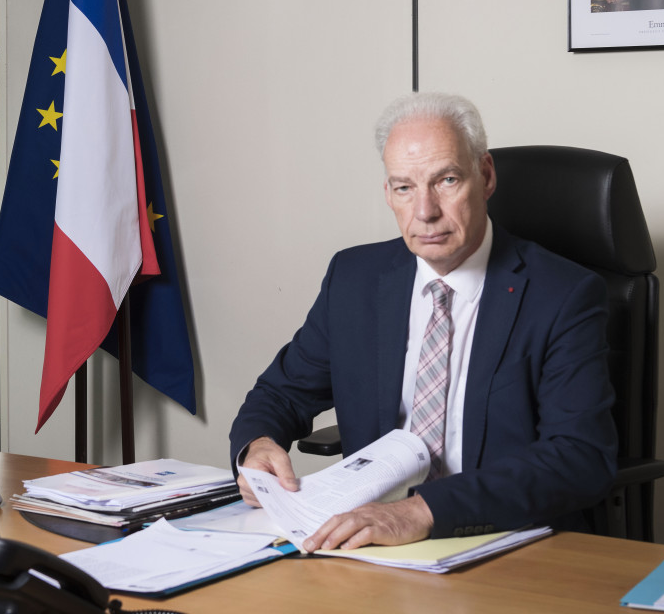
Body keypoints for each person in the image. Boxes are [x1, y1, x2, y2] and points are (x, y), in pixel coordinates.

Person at [228, 93, 617, 552]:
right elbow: (281, 392)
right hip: (368, 544)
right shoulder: (355, 280)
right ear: (387, 192)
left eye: (446, 180)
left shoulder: (563, 295)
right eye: (404, 187)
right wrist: (256, 446)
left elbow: (579, 456)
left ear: (486, 176)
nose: (425, 211)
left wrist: (422, 510)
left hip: (503, 540)